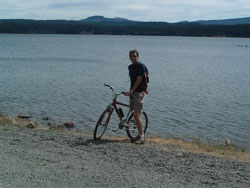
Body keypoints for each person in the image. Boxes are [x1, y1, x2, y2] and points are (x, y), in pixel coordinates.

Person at [123, 50, 147, 144]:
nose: (133, 57)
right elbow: (132, 81)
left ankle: (142, 137)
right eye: (131, 56)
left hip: (139, 92)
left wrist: (132, 91)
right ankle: (134, 133)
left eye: (134, 55)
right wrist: (130, 91)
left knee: (137, 114)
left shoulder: (140, 66)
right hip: (132, 92)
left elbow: (139, 79)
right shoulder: (130, 67)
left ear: (138, 57)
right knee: (133, 112)